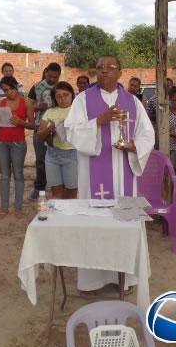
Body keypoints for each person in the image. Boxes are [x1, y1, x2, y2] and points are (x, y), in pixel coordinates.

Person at [64, 55, 154, 293]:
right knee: (94, 224)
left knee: (126, 225)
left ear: (120, 72)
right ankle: (93, 280)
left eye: (110, 67)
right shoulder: (82, 100)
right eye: (100, 68)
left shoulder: (133, 102)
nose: (104, 71)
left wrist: (134, 146)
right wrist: (99, 121)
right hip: (93, 174)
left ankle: (126, 278)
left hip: (125, 172)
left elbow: (147, 134)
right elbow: (71, 131)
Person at [0, 77, 34, 218]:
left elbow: (33, 125)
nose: (8, 92)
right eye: (5, 90)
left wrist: (21, 122)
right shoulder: (1, 103)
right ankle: (4, 208)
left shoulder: (26, 102)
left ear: (16, 86)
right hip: (2, 142)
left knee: (18, 174)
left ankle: (18, 207)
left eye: (10, 89)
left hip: (18, 143)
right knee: (4, 176)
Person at [37, 81, 78, 199]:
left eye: (66, 95)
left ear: (72, 95)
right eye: (59, 96)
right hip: (52, 154)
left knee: (72, 191)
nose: (63, 99)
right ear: (54, 98)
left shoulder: (77, 110)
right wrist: (50, 129)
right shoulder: (50, 111)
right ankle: (58, 216)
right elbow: (39, 135)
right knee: (56, 191)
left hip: (71, 154)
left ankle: (70, 215)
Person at [29, 62, 61, 200]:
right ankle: (39, 188)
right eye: (50, 76)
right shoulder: (36, 87)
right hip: (40, 128)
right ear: (46, 71)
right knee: (40, 160)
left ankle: (58, 188)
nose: (53, 80)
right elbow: (29, 107)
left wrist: (49, 105)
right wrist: (37, 108)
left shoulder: (61, 87)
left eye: (56, 77)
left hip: (58, 129)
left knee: (58, 158)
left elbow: (67, 103)